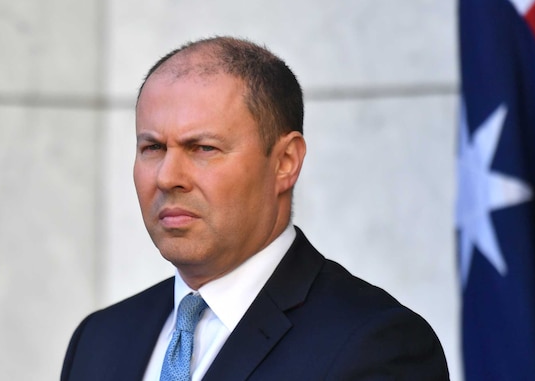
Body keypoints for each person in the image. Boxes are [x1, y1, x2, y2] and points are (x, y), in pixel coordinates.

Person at [61, 37, 449, 381]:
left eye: (202, 148)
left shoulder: (375, 346)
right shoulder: (99, 340)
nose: (167, 177)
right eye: (153, 148)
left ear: (285, 162)